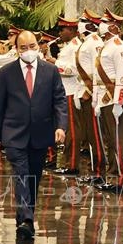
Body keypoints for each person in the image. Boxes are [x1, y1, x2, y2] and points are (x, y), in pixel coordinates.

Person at [0, 30, 67, 241]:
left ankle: (24, 217)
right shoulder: (6, 72)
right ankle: (27, 219)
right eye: (23, 48)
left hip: (41, 133)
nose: (29, 51)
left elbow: (59, 100)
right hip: (14, 134)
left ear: (38, 45)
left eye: (32, 46)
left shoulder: (50, 71)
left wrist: (61, 126)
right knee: (21, 174)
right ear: (16, 50)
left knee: (33, 178)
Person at [93, 9, 123, 193]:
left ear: (114, 27)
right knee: (108, 139)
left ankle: (120, 178)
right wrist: (95, 98)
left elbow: (122, 77)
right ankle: (112, 173)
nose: (102, 25)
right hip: (103, 97)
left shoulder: (119, 47)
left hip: (113, 97)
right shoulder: (105, 46)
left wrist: (118, 101)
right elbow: (96, 75)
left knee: (118, 139)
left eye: (105, 22)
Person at [73, 9, 106, 184]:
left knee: (95, 135)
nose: (79, 23)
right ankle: (95, 170)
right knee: (90, 135)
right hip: (83, 92)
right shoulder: (86, 42)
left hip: (91, 95)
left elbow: (97, 70)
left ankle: (99, 172)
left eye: (82, 20)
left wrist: (89, 92)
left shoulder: (94, 43)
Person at [53, 17, 82, 176]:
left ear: (71, 30)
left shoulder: (75, 47)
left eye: (62, 30)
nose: (60, 33)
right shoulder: (68, 46)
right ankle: (68, 162)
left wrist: (55, 66)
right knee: (68, 129)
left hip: (71, 91)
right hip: (65, 91)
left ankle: (72, 165)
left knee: (72, 130)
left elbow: (74, 70)